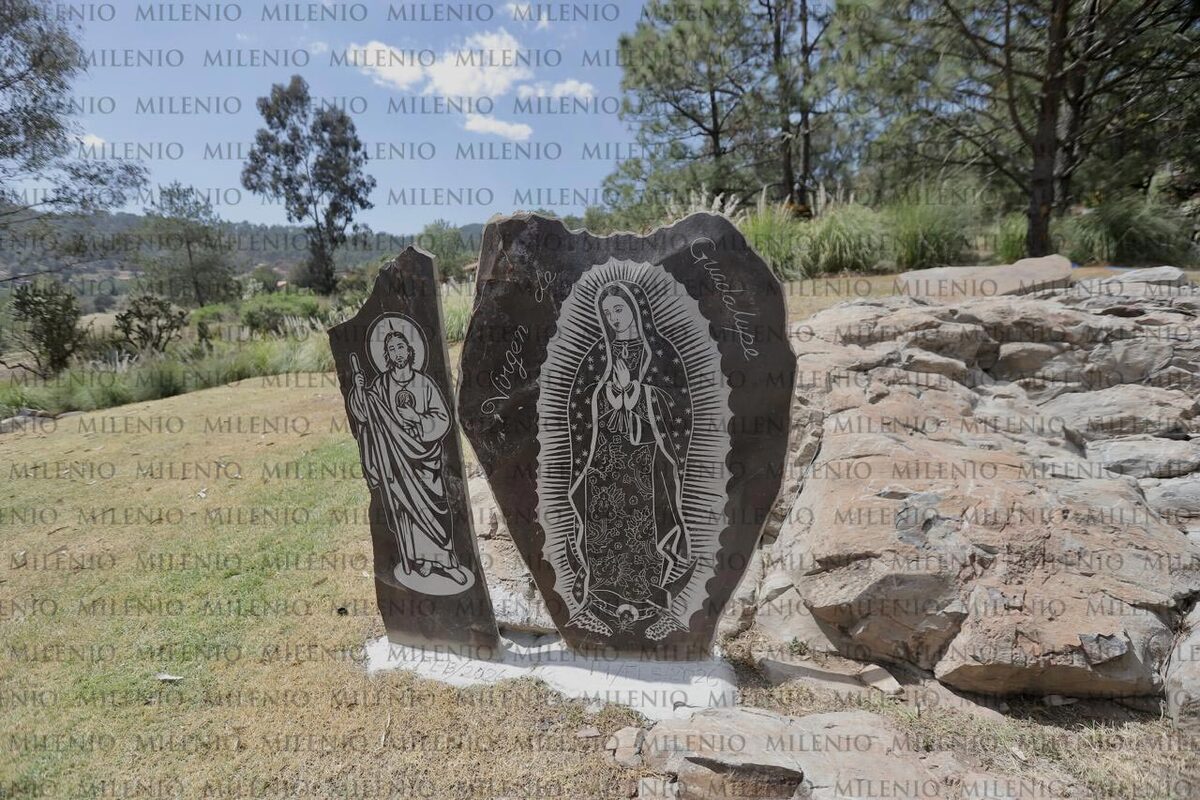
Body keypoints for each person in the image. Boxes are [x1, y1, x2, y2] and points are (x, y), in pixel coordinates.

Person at [565, 280, 697, 639]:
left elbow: (679, 405)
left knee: (643, 527)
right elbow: (579, 402)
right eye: (607, 313)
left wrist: (636, 393)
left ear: (636, 309)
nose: (613, 318)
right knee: (604, 524)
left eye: (619, 309)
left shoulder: (662, 353)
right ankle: (601, 599)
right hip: (606, 457)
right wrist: (609, 393)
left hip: (647, 457)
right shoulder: (598, 354)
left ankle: (648, 603)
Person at [348, 328, 468, 586]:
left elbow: (443, 419)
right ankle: (423, 559)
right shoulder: (380, 385)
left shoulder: (424, 383)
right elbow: (365, 415)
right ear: (387, 355)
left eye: (401, 347)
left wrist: (418, 419)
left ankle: (447, 561)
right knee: (409, 513)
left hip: (425, 458)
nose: (397, 353)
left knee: (435, 509)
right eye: (391, 349)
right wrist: (359, 391)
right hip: (397, 460)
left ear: (410, 350)